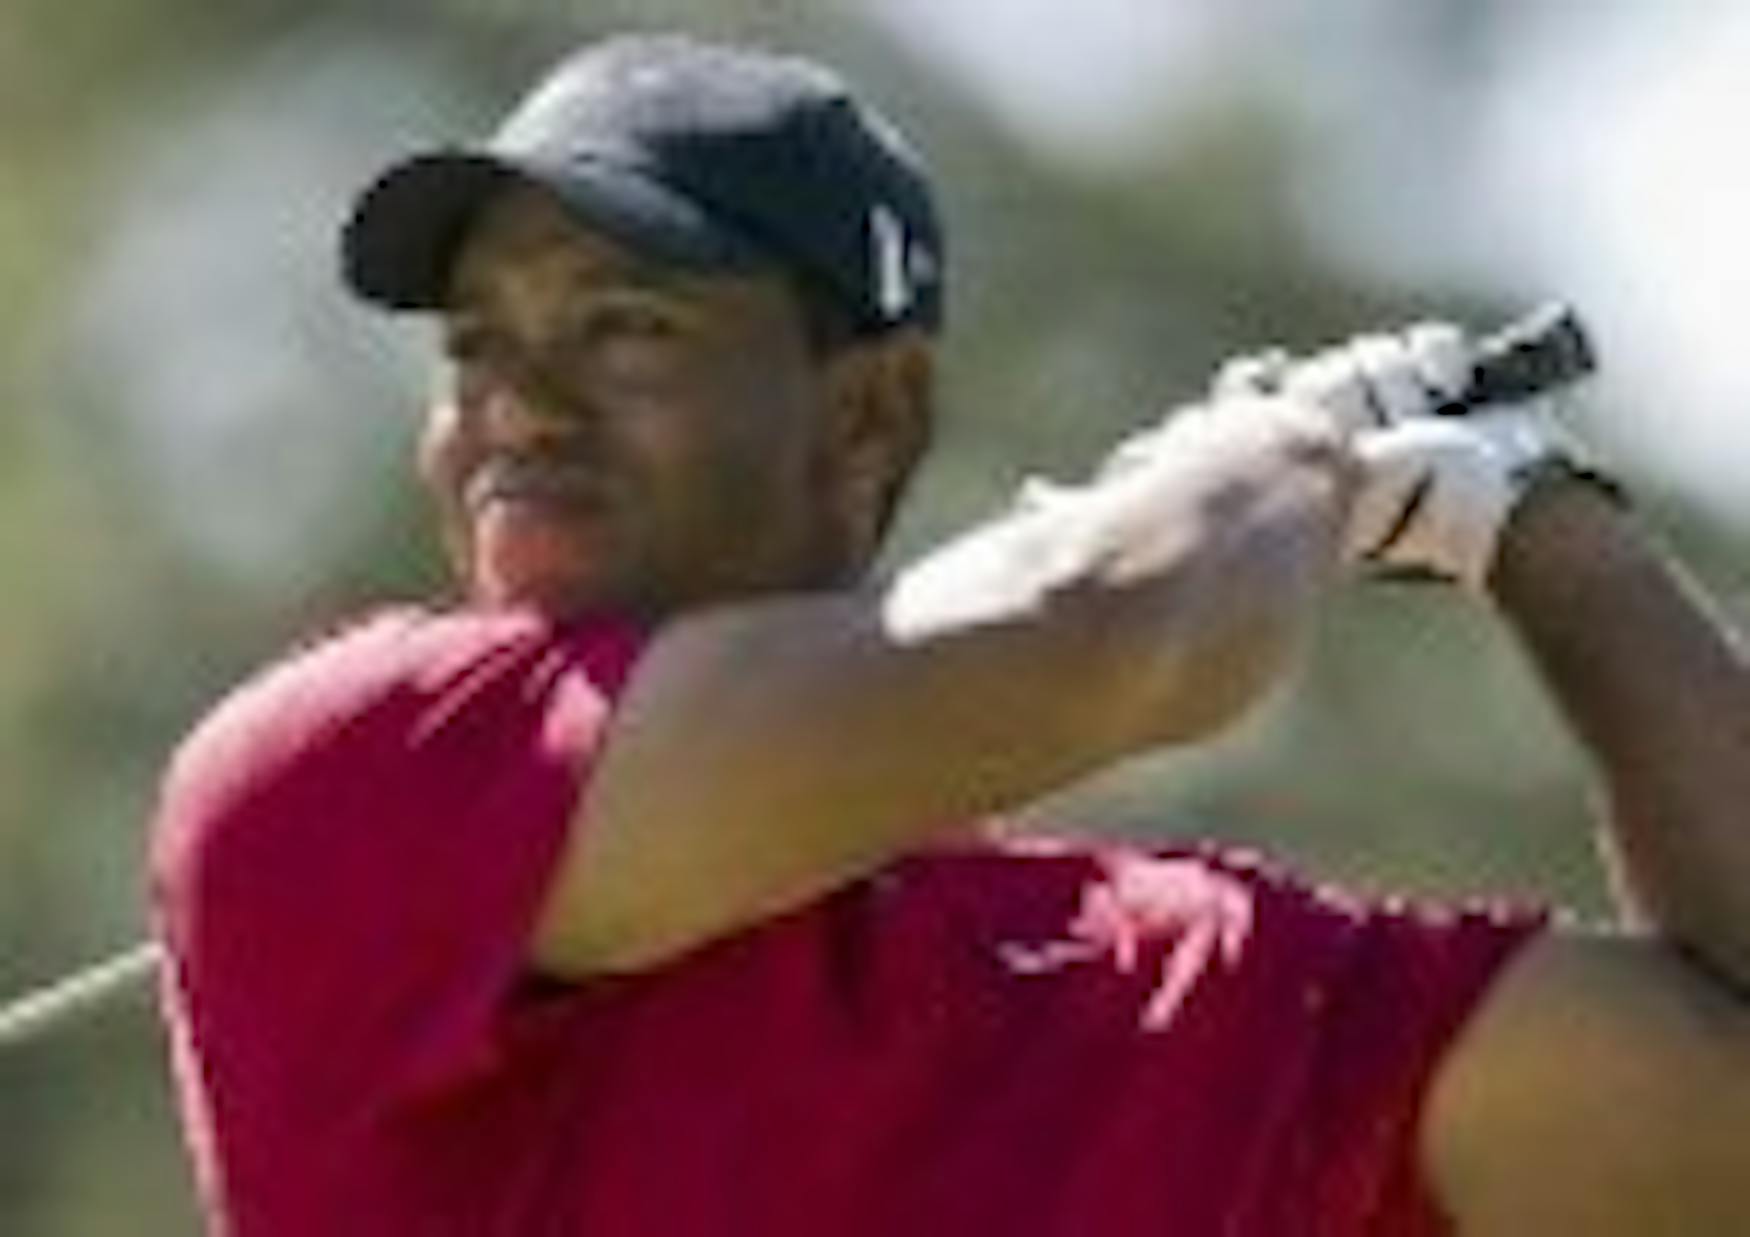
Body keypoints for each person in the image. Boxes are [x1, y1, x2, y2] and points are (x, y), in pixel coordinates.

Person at [148, 32, 1746, 1236]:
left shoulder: (1171, 982)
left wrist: (1542, 530)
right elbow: (1131, 634)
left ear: (871, 415)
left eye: (624, 325)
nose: (518, 408)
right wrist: (1283, 447)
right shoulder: (349, 774)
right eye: (474, 347)